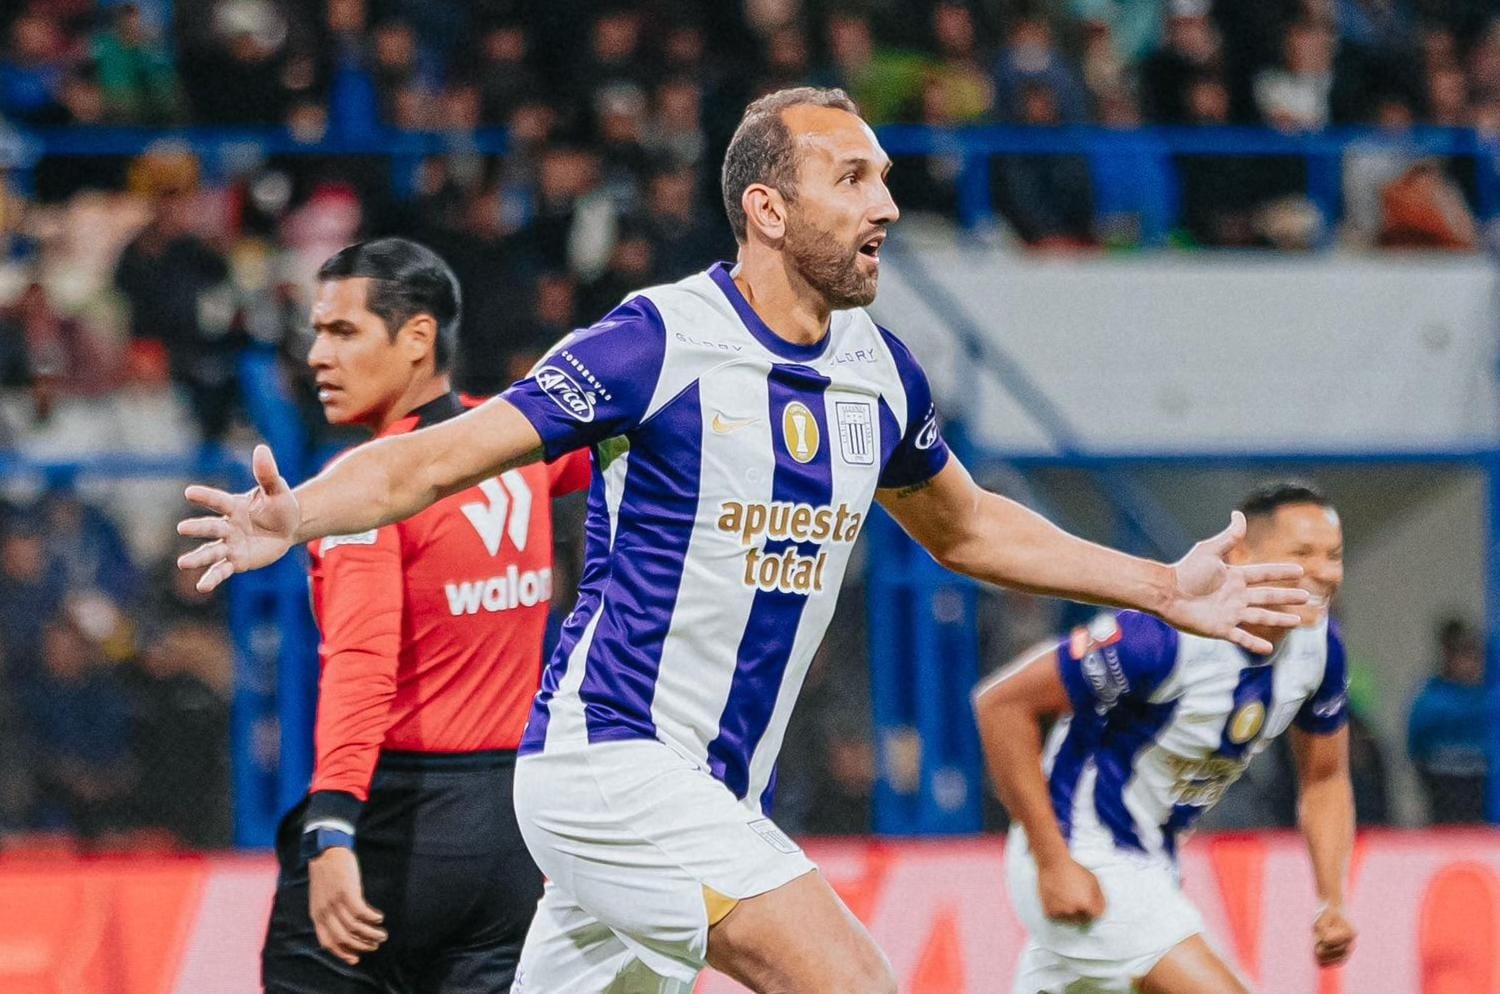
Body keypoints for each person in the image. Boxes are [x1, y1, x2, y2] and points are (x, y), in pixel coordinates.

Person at [179, 87, 1309, 994]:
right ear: (768, 208)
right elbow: (435, 456)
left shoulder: (878, 369)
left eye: (886, 180)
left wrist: (1162, 583)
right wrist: (297, 511)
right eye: (853, 178)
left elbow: (964, 525)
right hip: (610, 765)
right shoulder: (655, 342)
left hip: (712, 789)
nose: (887, 207)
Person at [258, 238, 590, 993]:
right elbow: (609, 441)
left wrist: (333, 826)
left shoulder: (367, 484)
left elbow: (362, 664)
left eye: (343, 332)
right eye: (316, 332)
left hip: (393, 825)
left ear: (417, 339)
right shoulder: (516, 442)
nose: (317, 356)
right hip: (509, 837)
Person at [973, 482, 1357, 994]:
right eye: (1302, 554)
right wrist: (1053, 860)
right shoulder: (1165, 637)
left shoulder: (1321, 649)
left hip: (1152, 865)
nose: (1324, 572)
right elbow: (1000, 704)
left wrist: (1331, 900)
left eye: (1333, 555)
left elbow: (1325, 778)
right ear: (1240, 557)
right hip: (1087, 855)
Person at [1407, 617, 1489, 823]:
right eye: (1464, 656)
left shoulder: (1489, 699)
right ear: (1449, 658)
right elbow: (1416, 744)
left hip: (1482, 792)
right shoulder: (1431, 699)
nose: (1471, 665)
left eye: (1475, 657)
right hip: (1443, 789)